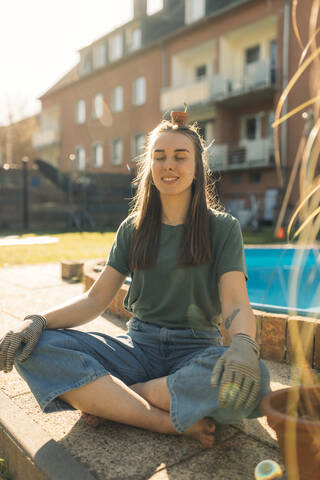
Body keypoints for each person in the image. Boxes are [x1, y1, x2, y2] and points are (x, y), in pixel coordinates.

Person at [0, 110, 270, 449]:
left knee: (256, 380)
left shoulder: (222, 228)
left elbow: (234, 302)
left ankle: (114, 399)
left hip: (195, 351)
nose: (168, 165)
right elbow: (94, 300)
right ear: (150, 167)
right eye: (159, 156)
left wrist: (244, 344)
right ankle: (159, 419)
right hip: (137, 350)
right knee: (37, 348)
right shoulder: (134, 227)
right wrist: (36, 321)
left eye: (179, 156)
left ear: (197, 168)